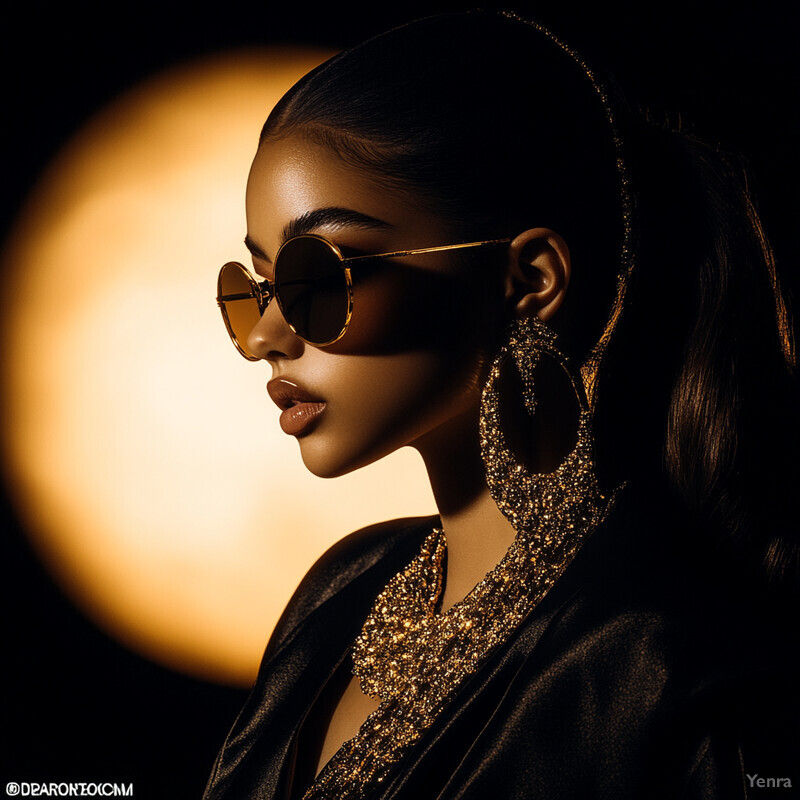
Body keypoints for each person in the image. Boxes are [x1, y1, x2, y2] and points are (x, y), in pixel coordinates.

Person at [206, 10, 800, 799]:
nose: (265, 339)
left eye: (317, 278)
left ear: (530, 282)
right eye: (258, 287)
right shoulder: (340, 593)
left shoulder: (666, 659)